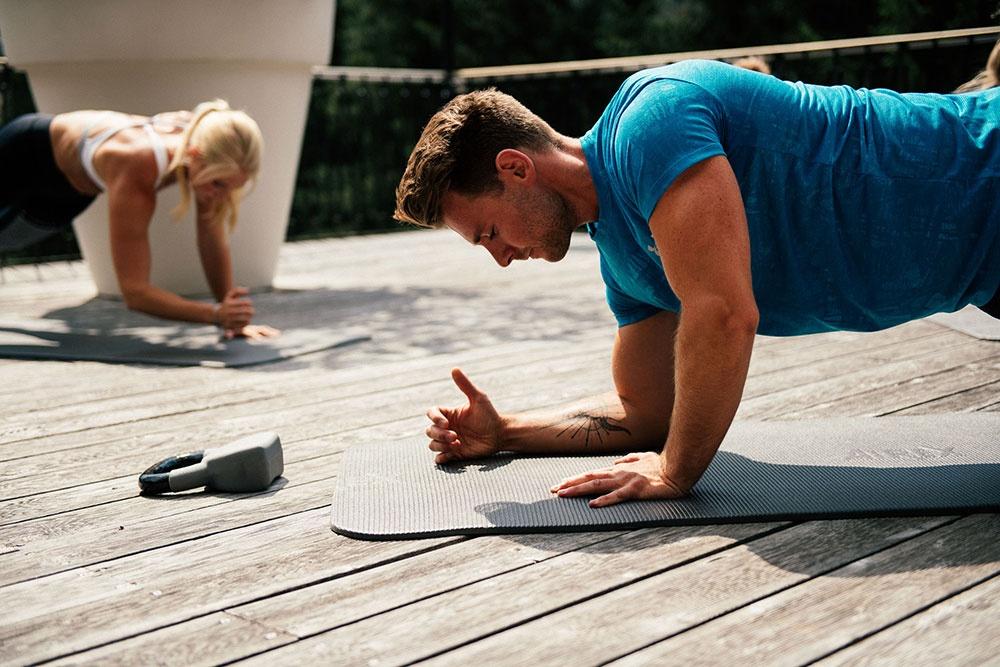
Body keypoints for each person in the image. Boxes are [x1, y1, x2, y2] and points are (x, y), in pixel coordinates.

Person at [394, 59, 1000, 508]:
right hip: (984, 273)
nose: (501, 258)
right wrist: (508, 433)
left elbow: (724, 314)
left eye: (490, 232)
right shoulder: (626, 261)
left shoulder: (652, 119)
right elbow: (647, 411)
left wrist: (675, 472)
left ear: (516, 168)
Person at [0, 100, 278, 339]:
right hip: (25, 153)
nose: (222, 195)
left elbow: (211, 236)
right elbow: (135, 292)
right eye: (218, 184)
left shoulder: (205, 140)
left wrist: (232, 317)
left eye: (233, 187)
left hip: (70, 188)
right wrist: (215, 315)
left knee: (8, 241)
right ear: (194, 156)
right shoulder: (137, 166)